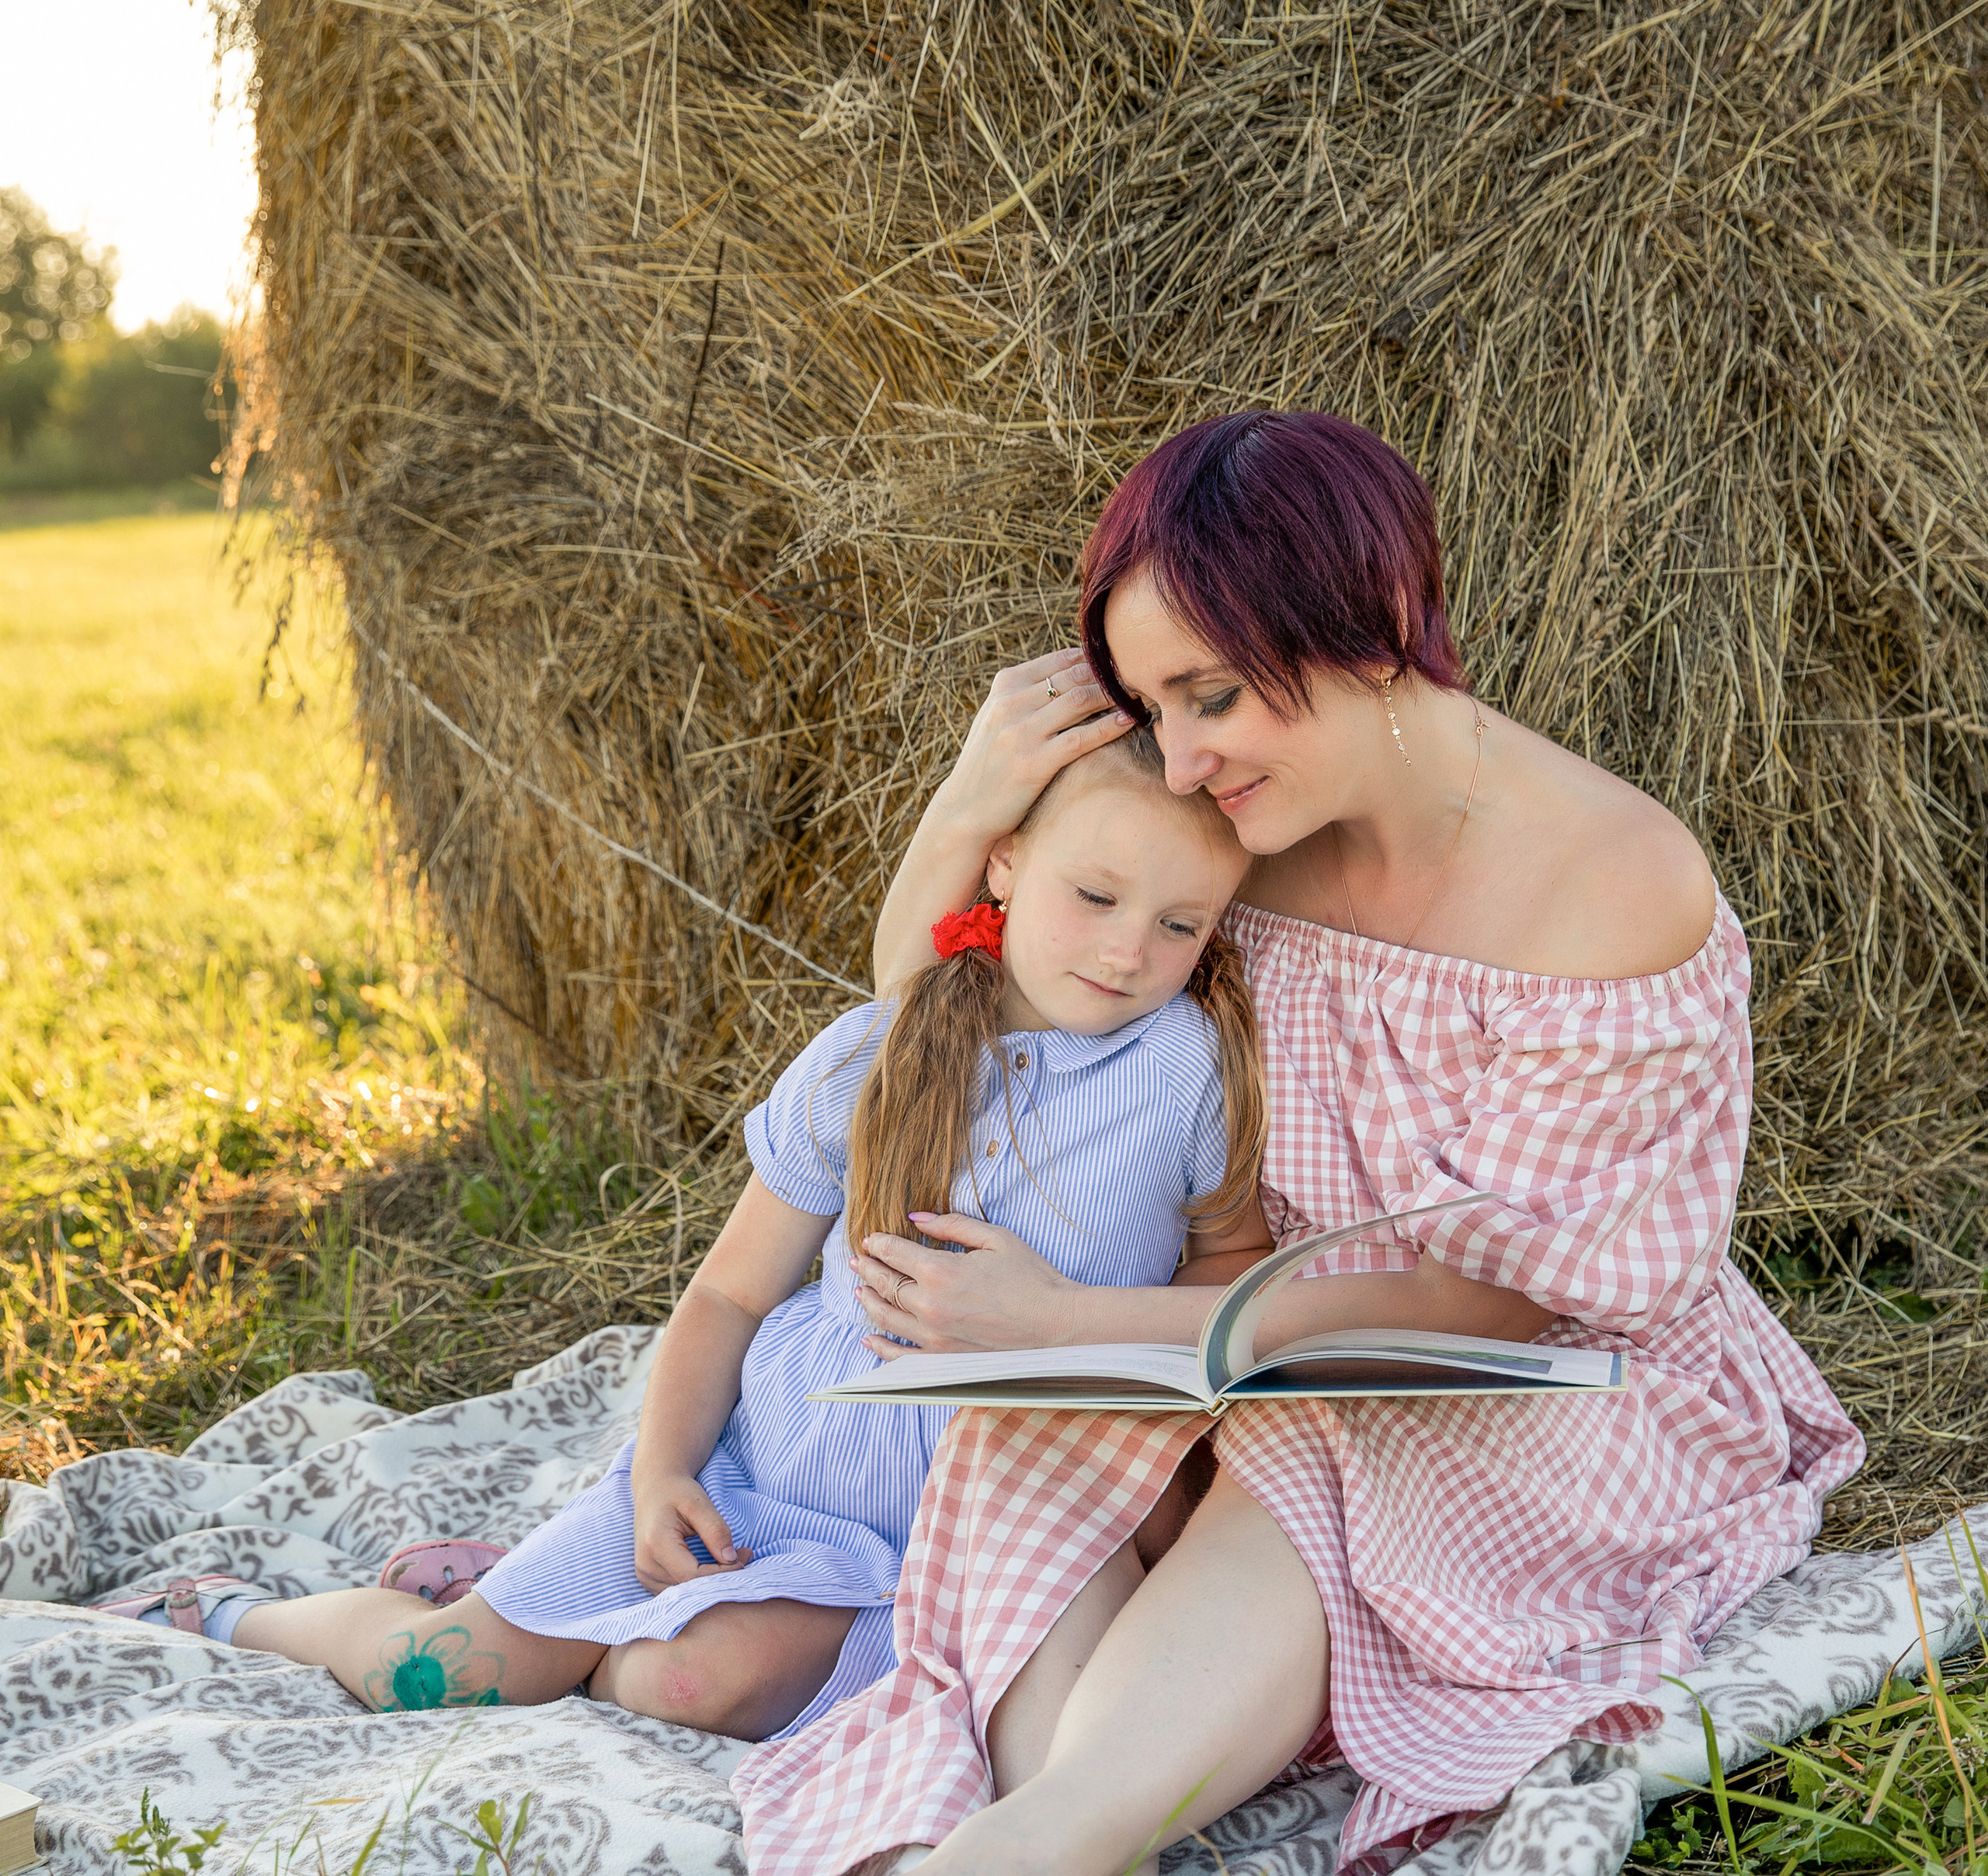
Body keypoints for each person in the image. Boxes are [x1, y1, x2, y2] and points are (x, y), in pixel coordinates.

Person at [736, 405, 1864, 1876]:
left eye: (1210, 696)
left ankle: (1010, 1869)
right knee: (1025, 1429)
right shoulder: (1223, 839)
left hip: (1530, 1389)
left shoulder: (1609, 877)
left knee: (1319, 1433)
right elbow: (953, 1006)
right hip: (1234, 1328)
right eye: (1152, 709)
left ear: (1369, 624)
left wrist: (1088, 1318)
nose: (1178, 757)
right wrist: (971, 800)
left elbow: (1481, 1304)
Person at [105, 728, 1267, 1746]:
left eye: (1180, 924)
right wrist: (663, 1473)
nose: (1128, 952)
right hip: (768, 1477)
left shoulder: (1187, 1070)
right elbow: (729, 1295)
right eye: (1094, 897)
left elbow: (1231, 1272)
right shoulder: (878, 1051)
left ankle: (572, 1620)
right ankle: (234, 1612)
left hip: (964, 1528)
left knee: (688, 1685)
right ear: (1004, 863)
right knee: (438, 1678)